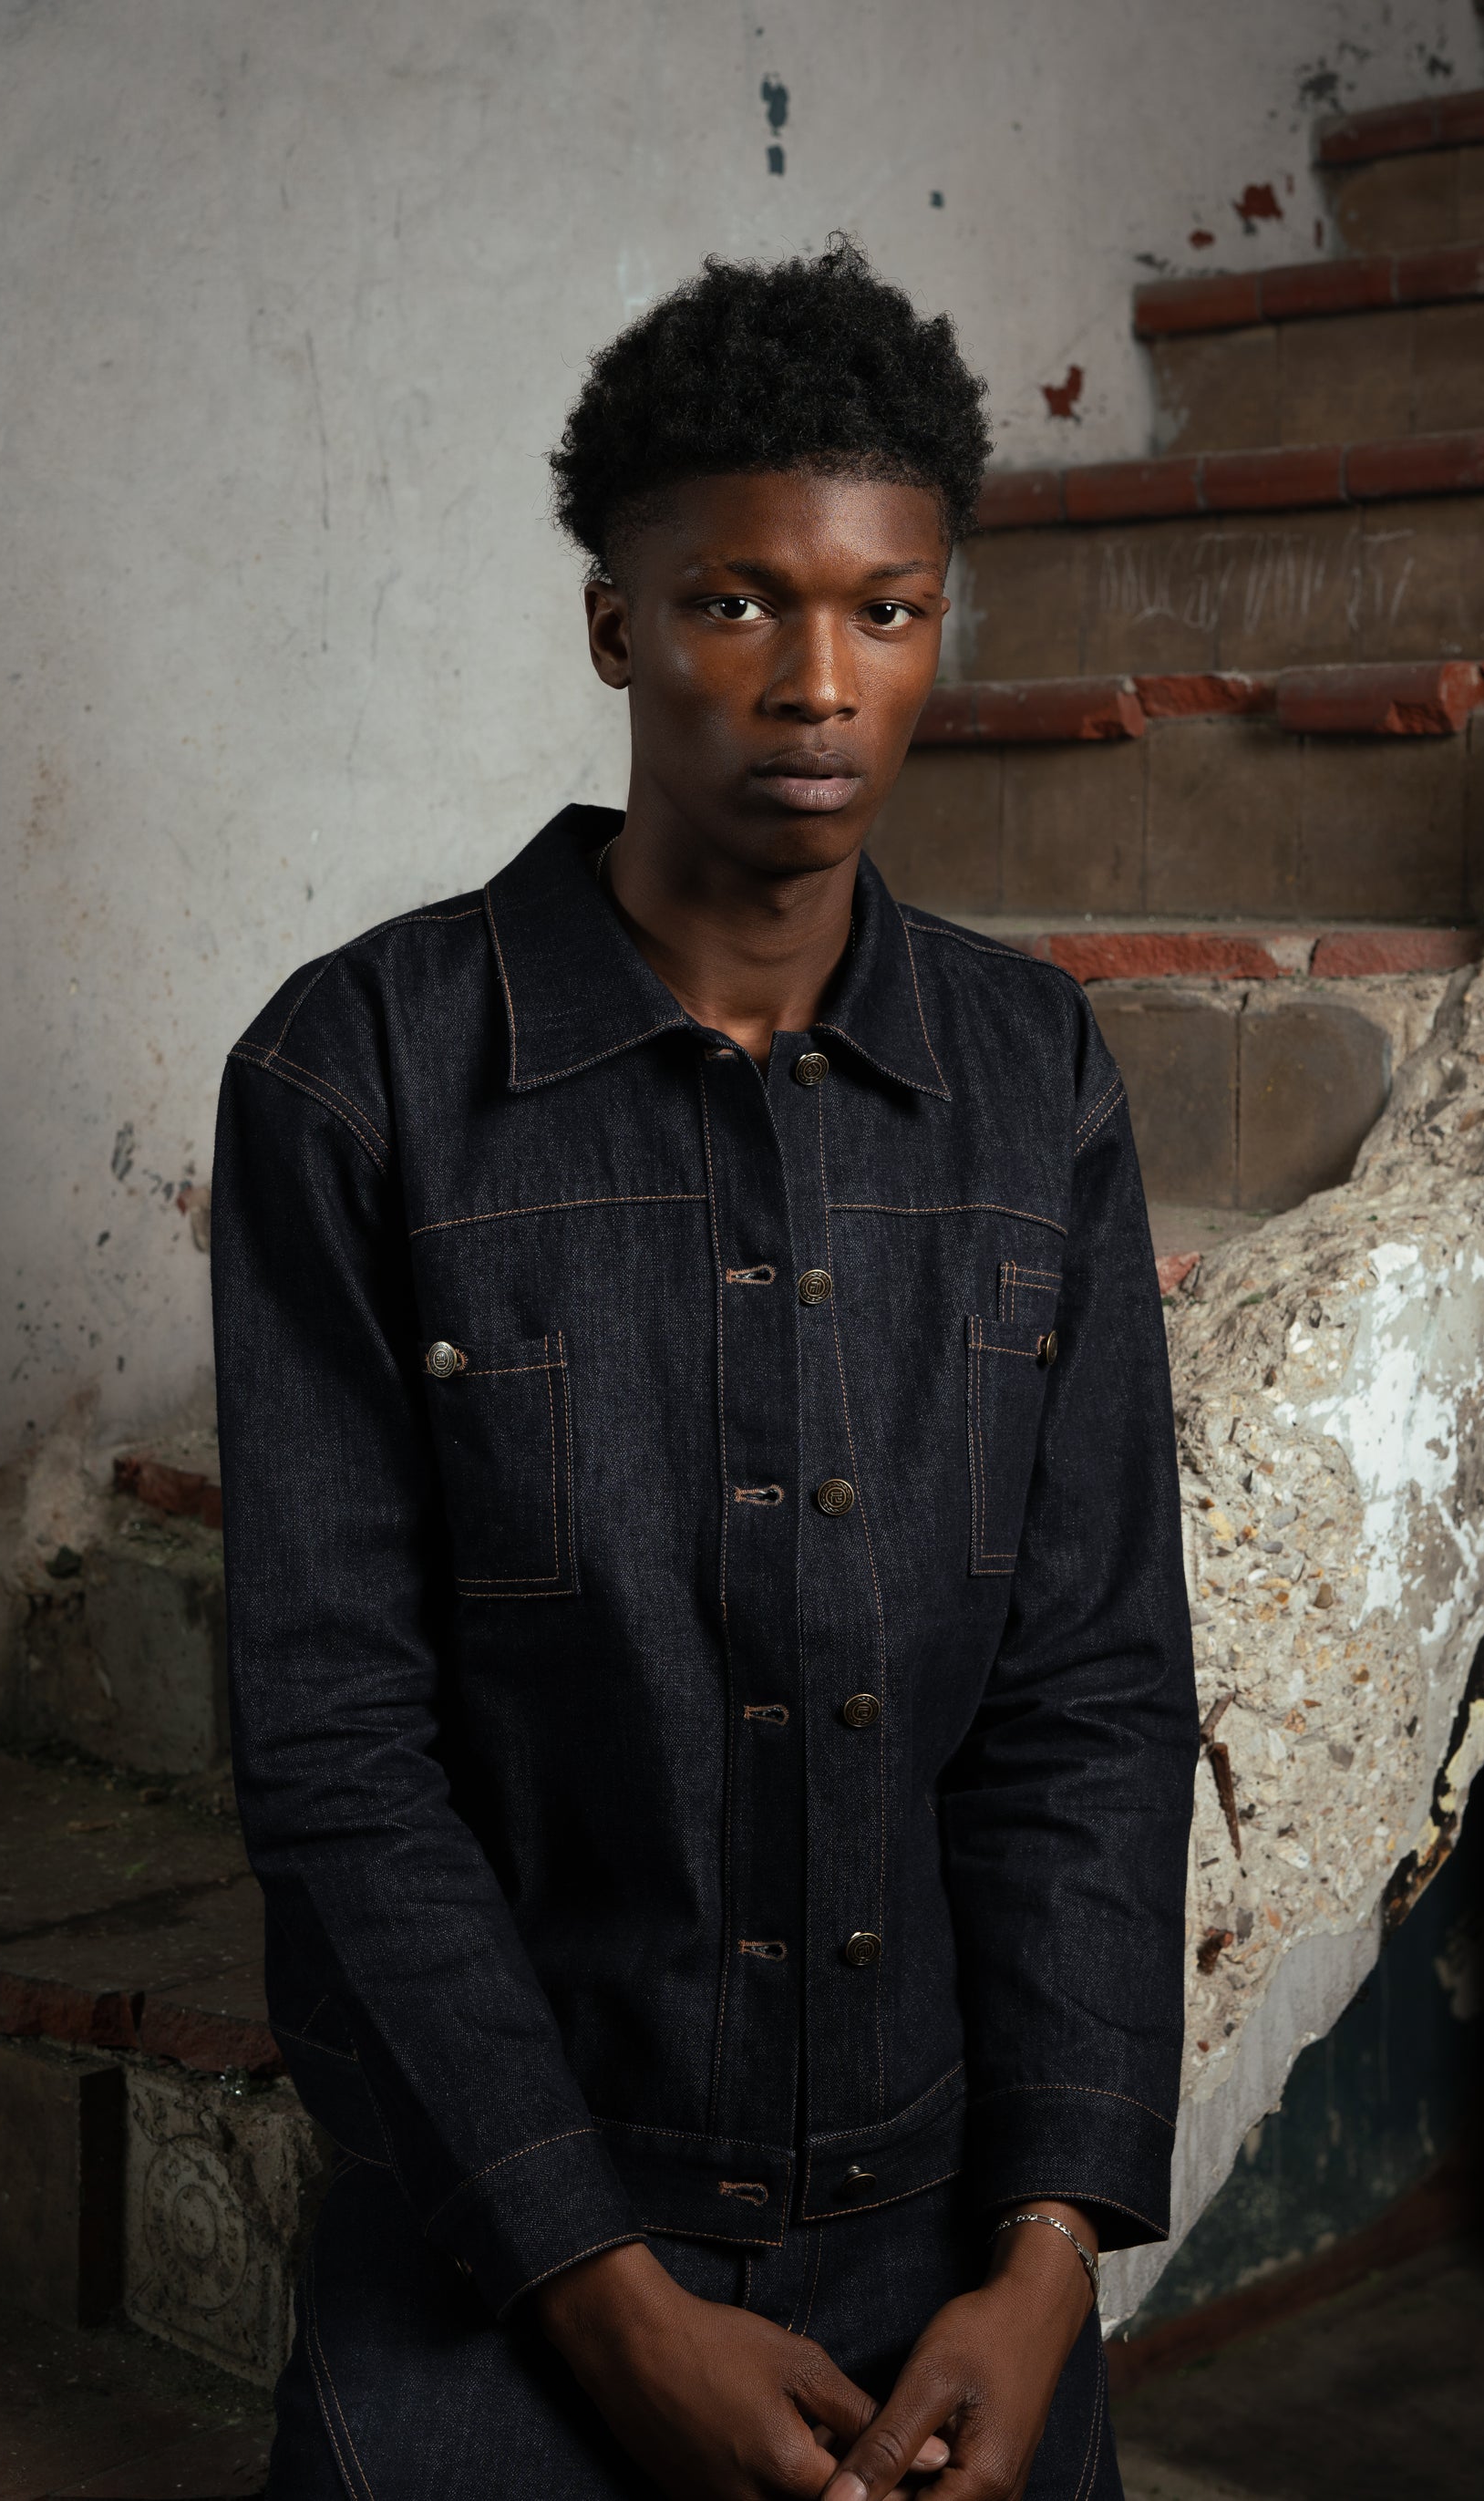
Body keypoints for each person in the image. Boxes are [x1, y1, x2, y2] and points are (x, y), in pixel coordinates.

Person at [212, 240, 1196, 2501]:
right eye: (739, 603)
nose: (818, 681)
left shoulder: (1031, 1078)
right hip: (518, 2242)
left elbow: (1092, 1698)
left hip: (949, 2259)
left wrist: (1046, 2259)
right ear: (617, 625)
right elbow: (340, 1751)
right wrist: (607, 2299)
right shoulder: (358, 1080)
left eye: (886, 608)